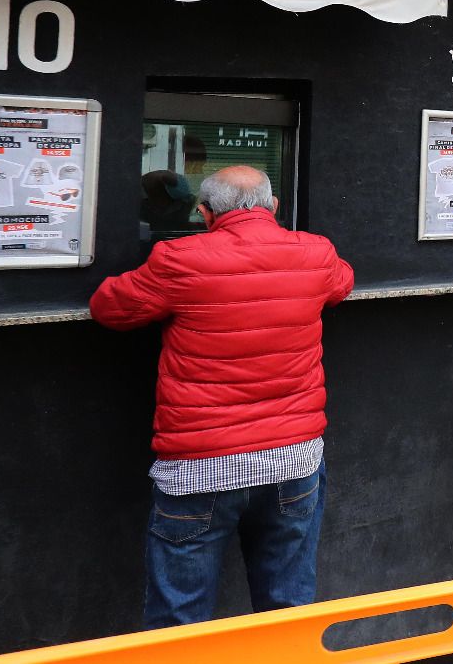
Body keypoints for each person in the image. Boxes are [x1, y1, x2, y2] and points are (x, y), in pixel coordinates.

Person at [89, 166, 354, 629]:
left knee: (180, 621)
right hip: (293, 462)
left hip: (200, 468)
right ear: (274, 207)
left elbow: (108, 307)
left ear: (205, 212)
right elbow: (341, 283)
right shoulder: (315, 252)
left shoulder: (177, 259)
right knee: (287, 612)